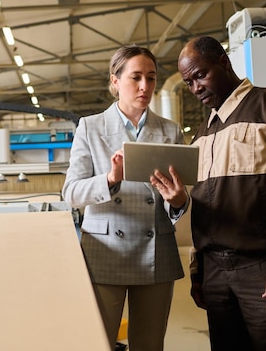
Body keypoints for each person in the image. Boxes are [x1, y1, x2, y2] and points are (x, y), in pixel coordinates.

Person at [176, 36, 266, 351]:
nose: (196, 87)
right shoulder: (202, 135)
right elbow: (202, 207)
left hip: (261, 268)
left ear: (224, 63)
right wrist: (198, 270)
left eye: (201, 75)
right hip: (214, 272)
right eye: (189, 83)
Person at [62, 44, 189, 351]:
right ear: (115, 81)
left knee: (149, 344)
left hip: (155, 251)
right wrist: (110, 179)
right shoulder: (90, 128)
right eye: (135, 77)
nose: (145, 86)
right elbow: (71, 193)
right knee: (100, 342)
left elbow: (185, 199)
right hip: (106, 251)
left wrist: (178, 200)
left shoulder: (171, 131)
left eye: (151, 77)